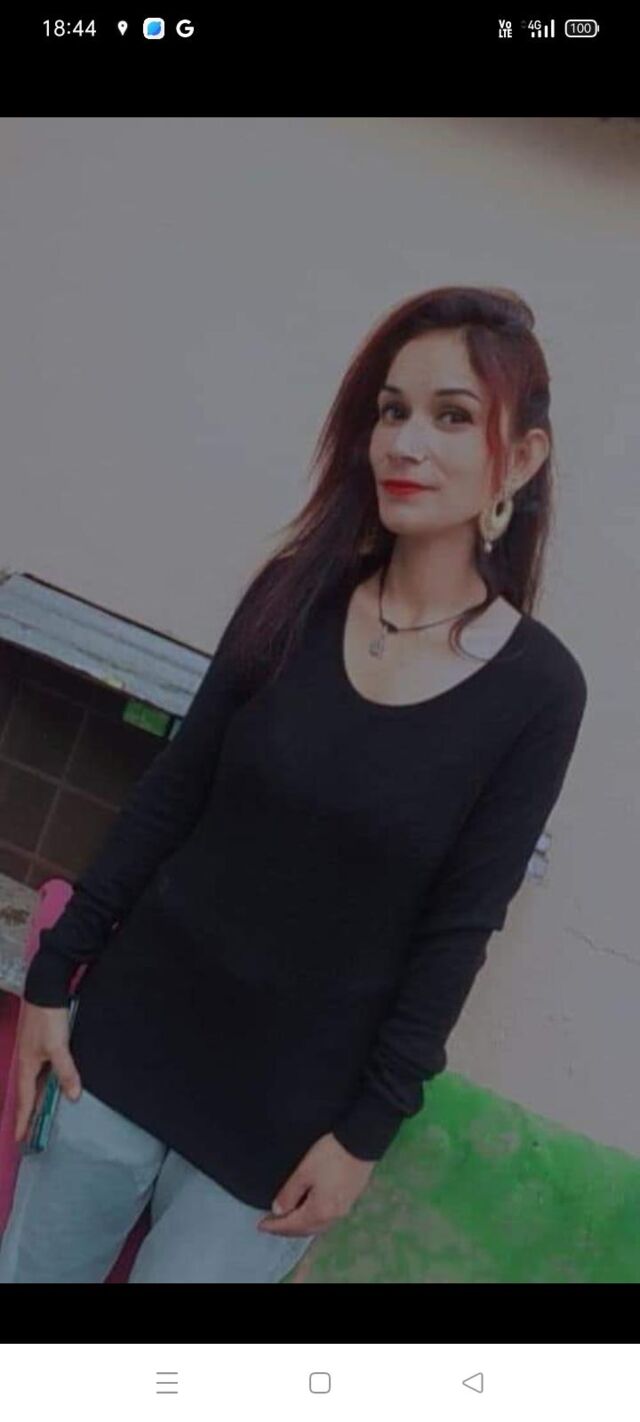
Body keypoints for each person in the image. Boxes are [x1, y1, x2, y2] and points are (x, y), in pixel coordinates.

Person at [0, 285, 588, 1284]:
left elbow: (457, 931)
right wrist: (54, 979)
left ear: (520, 459)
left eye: (451, 416)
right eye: (392, 410)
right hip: (124, 1045)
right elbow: (172, 794)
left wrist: (363, 1139)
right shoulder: (295, 593)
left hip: (287, 1127)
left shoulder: (536, 692)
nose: (405, 442)